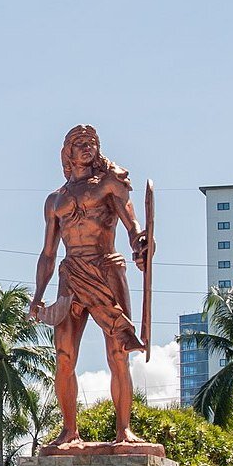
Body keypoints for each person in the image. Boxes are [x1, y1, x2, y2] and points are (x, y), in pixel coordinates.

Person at [29, 124, 150, 447]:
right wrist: (38, 296)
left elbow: (132, 226)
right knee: (64, 354)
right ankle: (69, 431)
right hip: (71, 275)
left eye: (92, 143)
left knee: (119, 352)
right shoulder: (55, 200)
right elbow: (48, 253)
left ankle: (123, 430)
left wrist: (141, 243)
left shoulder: (110, 184)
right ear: (68, 152)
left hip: (106, 267)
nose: (87, 148)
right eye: (80, 143)